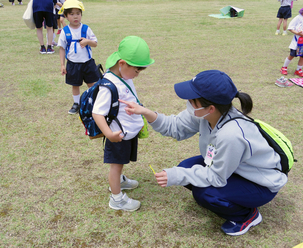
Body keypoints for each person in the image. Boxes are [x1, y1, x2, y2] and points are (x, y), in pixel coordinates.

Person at [120, 70, 288, 234]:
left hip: (259, 184)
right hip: (235, 168)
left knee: (204, 193)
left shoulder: (231, 135)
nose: (188, 101)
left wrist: (177, 175)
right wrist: (146, 113)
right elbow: (175, 127)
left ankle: (246, 216)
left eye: (193, 99)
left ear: (211, 108)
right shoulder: (205, 114)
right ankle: (234, 198)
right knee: (185, 167)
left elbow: (216, 177)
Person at [92, 36, 154, 211]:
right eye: (137, 70)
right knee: (116, 165)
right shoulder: (109, 85)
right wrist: (109, 134)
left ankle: (118, 181)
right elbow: (97, 112)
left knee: (121, 163)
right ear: (122, 63)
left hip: (126, 132)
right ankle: (116, 199)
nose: (137, 74)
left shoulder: (123, 76)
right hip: (117, 135)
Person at [57, 0, 100, 114]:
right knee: (75, 85)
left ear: (81, 14)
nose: (75, 16)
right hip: (73, 63)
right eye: (71, 14)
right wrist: (62, 65)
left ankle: (93, 102)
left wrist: (87, 41)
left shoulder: (86, 29)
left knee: (91, 84)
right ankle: (76, 103)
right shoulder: (65, 31)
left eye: (78, 13)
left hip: (87, 62)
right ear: (65, 16)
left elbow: (95, 43)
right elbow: (61, 48)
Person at [280, 8, 303, 77]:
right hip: (297, 41)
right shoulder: (298, 18)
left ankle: (298, 70)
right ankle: (284, 67)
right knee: (292, 55)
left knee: (302, 57)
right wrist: (298, 33)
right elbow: (290, 28)